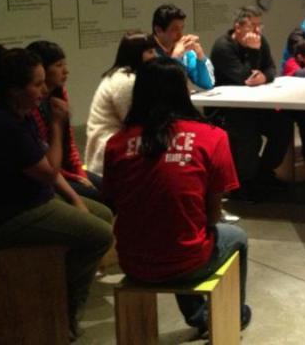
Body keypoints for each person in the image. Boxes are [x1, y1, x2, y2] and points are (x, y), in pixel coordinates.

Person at [0, 44, 113, 340]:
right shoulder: (6, 127)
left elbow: (47, 171)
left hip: (29, 199)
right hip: (5, 218)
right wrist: (56, 124)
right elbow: (50, 170)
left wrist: (75, 199)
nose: (44, 90)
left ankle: (56, 288)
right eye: (37, 84)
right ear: (14, 90)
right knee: (101, 235)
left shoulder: (21, 114)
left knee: (103, 214)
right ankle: (63, 309)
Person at [103, 58, 251, 334]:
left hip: (132, 262)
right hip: (187, 260)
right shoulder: (212, 137)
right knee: (235, 237)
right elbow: (212, 215)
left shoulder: (116, 143)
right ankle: (234, 315)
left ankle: (198, 315)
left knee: (175, 233)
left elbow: (114, 201)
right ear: (182, 91)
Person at [208, 6, 293, 198]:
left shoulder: (260, 40)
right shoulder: (223, 47)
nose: (257, 30)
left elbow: (270, 68)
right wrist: (253, 52)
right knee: (248, 134)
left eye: (259, 25)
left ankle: (263, 172)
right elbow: (243, 78)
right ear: (237, 27)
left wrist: (264, 77)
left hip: (256, 104)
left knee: (282, 126)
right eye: (252, 25)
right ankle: (244, 183)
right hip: (229, 108)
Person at [26, 40, 104, 203]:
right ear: (42, 69)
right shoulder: (31, 106)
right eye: (59, 65)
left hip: (63, 170)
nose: (66, 71)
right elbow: (46, 164)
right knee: (99, 198)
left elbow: (69, 144)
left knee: (111, 190)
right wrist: (74, 177)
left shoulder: (59, 94)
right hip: (50, 176)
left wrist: (79, 173)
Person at [84, 31, 157, 176]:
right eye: (150, 52)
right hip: (108, 153)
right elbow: (134, 121)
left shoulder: (125, 76)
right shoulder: (125, 81)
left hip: (115, 146)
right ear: (136, 54)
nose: (154, 56)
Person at [152, 3, 214, 90]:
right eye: (175, 29)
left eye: (182, 28)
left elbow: (207, 84)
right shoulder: (147, 52)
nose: (181, 35)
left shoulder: (186, 53)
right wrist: (175, 58)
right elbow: (161, 88)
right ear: (158, 30)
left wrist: (200, 57)